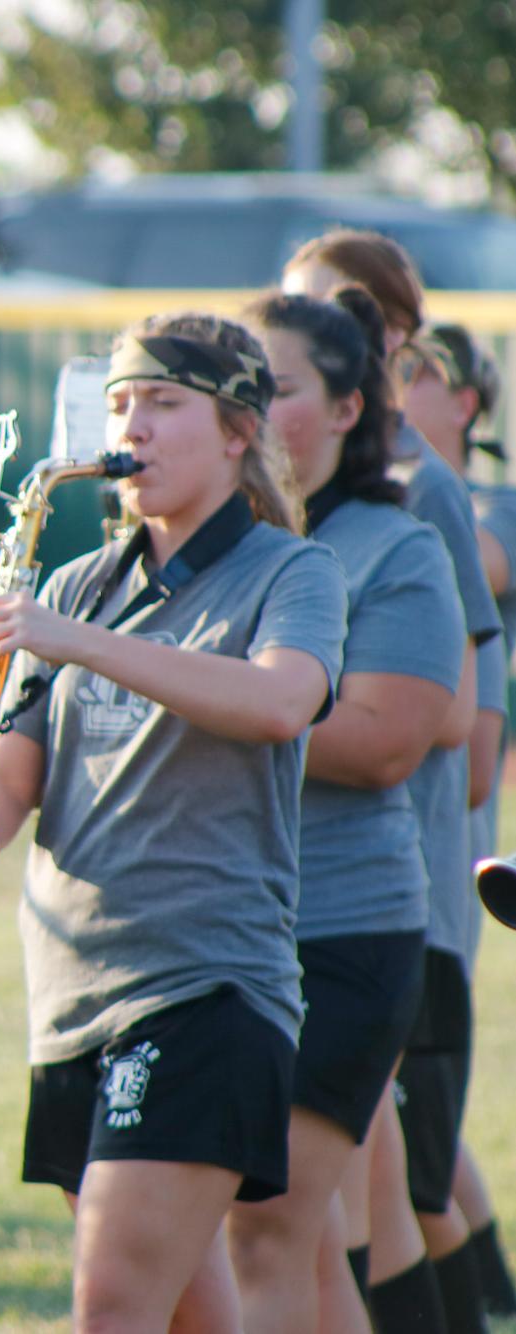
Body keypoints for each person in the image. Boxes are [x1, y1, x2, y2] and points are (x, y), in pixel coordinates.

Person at [0, 312, 348, 1331]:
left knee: (111, 1306)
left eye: (163, 402)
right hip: (72, 995)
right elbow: (20, 770)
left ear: (236, 430)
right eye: (121, 402)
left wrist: (79, 642)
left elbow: (279, 701)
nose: (130, 424)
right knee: (189, 1316)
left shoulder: (290, 572)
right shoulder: (73, 585)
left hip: (203, 985)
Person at [229, 288, 466, 1331]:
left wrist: (208, 711)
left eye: (275, 388)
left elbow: (387, 742)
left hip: (343, 927)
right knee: (312, 1245)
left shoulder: (395, 542)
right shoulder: (207, 549)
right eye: (231, 387)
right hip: (219, 932)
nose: (246, 411)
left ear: (346, 408)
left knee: (270, 1225)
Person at [286, 231, 504, 1332]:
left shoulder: (420, 505)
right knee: (332, 1221)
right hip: (278, 903)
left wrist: (265, 705)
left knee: (387, 1199)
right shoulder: (269, 504)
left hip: (389, 894)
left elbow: (460, 730)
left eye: (342, 321)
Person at [407, 321, 516, 1320]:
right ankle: (487, 1299)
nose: (392, 390)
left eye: (414, 372)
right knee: (410, 1149)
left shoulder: (479, 507)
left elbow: (482, 559)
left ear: (466, 401)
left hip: (451, 846)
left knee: (411, 1150)